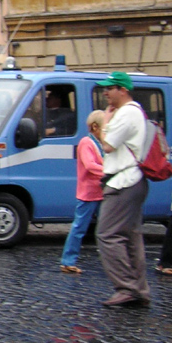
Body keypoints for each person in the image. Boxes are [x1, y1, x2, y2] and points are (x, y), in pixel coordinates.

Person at [94, 72, 151, 307]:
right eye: (105, 88)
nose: (106, 92)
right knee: (130, 237)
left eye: (111, 88)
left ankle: (127, 287)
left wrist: (103, 126)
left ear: (123, 90)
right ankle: (139, 290)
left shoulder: (128, 113)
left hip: (123, 182)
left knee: (107, 234)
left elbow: (108, 145)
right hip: (129, 181)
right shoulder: (130, 112)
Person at [59, 111, 105, 274]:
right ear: (95, 127)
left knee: (106, 228)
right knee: (79, 228)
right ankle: (67, 261)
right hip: (89, 193)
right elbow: (90, 165)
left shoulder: (98, 143)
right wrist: (109, 170)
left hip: (99, 192)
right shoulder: (87, 142)